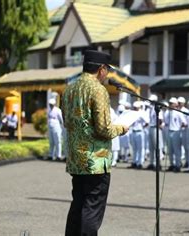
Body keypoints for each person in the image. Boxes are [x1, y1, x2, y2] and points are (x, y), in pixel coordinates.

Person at [63, 50, 129, 235]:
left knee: (78, 205)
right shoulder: (98, 90)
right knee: (92, 209)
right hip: (96, 161)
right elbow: (103, 129)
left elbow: (66, 122)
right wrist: (122, 128)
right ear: (101, 69)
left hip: (77, 160)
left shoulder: (69, 89)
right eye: (107, 69)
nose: (107, 74)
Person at [166, 97, 187, 172]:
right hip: (169, 131)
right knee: (170, 150)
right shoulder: (168, 112)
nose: (170, 105)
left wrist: (179, 128)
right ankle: (172, 164)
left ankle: (178, 165)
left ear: (175, 104)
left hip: (176, 131)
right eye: (169, 103)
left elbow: (184, 123)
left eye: (172, 103)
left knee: (177, 150)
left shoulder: (178, 112)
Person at [147, 94, 164, 170]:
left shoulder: (158, 109)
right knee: (151, 147)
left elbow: (160, 120)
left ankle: (158, 163)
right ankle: (152, 163)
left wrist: (158, 126)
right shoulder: (150, 109)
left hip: (155, 128)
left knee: (157, 146)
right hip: (151, 127)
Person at [130, 101, 149, 169]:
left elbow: (147, 122)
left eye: (136, 108)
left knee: (140, 148)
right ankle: (134, 162)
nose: (134, 108)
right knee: (134, 148)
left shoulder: (141, 113)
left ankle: (140, 162)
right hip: (133, 131)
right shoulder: (132, 113)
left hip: (140, 131)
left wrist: (142, 127)